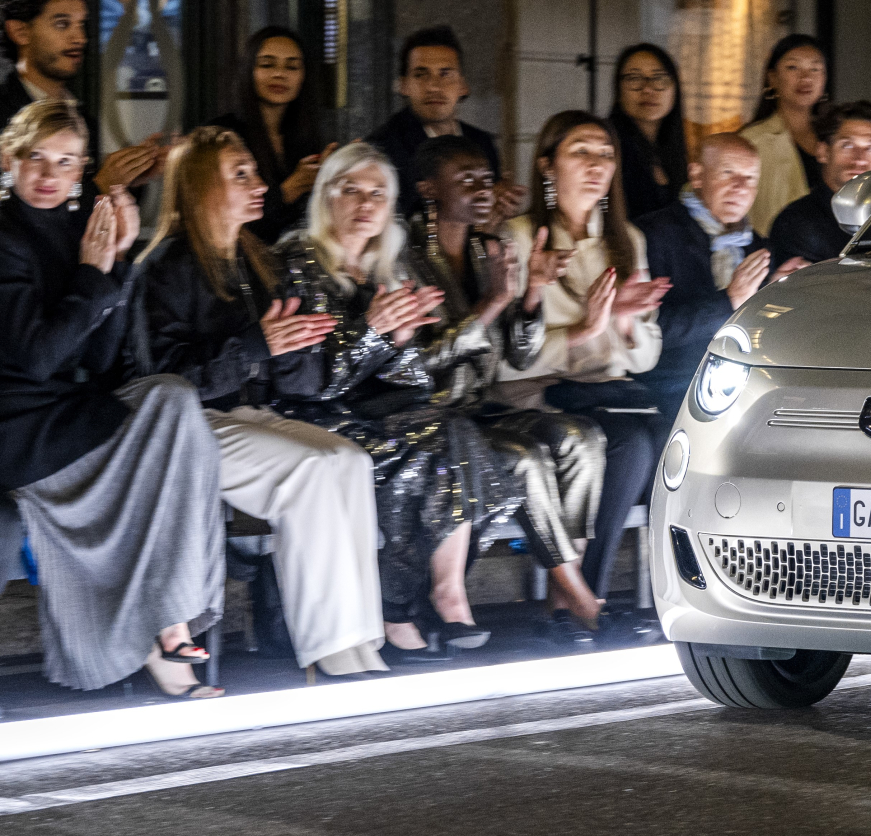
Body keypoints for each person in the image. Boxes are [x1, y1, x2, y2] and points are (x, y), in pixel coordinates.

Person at [135, 126, 385, 674]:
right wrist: (257, 345)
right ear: (201, 188)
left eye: (254, 170)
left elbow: (294, 379)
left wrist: (295, 347)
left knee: (350, 461)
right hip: (190, 426)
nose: (259, 184)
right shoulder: (167, 267)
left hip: (250, 415)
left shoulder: (257, 261)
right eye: (240, 174)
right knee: (313, 471)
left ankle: (364, 643)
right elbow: (165, 379)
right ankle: (331, 652)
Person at [273, 144, 535, 663]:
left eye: (377, 193)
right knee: (431, 448)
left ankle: (432, 595)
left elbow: (411, 381)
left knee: (455, 433)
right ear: (326, 195)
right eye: (351, 190)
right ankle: (409, 603)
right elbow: (312, 384)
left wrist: (400, 341)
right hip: (322, 419)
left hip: (385, 414)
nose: (365, 203)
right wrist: (373, 332)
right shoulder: (298, 260)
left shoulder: (385, 268)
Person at [0, 100, 226, 699]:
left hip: (72, 415)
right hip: (20, 430)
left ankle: (172, 623)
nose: (49, 174)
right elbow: (37, 359)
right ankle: (169, 638)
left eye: (66, 161)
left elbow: (98, 363)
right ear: (8, 160)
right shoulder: (3, 238)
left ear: (82, 172)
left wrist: (119, 265)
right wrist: (96, 278)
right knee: (170, 415)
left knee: (176, 404)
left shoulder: (82, 233)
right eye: (36, 158)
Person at [409, 136, 612, 633]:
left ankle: (567, 591)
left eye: (487, 179)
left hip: (482, 406)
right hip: (431, 416)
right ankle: (584, 601)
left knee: (582, 438)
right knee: (525, 458)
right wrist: (494, 304)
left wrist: (530, 296)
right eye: (466, 179)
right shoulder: (404, 258)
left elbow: (518, 353)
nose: (482, 189)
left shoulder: (488, 251)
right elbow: (419, 363)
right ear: (429, 189)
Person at [496, 110, 671, 642]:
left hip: (608, 392)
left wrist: (624, 322)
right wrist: (588, 328)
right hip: (538, 393)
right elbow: (507, 357)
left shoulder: (627, 240)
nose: (597, 165)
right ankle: (579, 600)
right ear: (548, 165)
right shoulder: (520, 237)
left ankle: (577, 599)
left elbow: (645, 355)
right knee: (625, 444)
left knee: (649, 438)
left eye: (606, 154)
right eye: (581, 152)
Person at [635, 132, 772, 417]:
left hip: (743, 385)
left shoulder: (755, 246)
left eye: (750, 179)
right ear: (697, 175)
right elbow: (651, 332)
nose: (740, 187)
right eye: (728, 173)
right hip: (670, 387)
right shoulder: (654, 234)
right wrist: (728, 302)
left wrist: (777, 290)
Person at [0, 0, 167, 194]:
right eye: (62, 24)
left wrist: (134, 175)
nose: (80, 38)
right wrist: (101, 185)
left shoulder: (81, 119)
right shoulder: (5, 116)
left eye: (81, 24)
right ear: (20, 32)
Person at [366, 25, 524, 219]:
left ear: (463, 86)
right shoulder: (382, 148)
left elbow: (488, 217)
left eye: (445, 74)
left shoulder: (481, 142)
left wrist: (501, 206)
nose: (433, 86)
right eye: (421, 75)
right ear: (404, 85)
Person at [212, 24, 332, 246]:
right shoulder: (221, 135)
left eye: (292, 67)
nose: (280, 74)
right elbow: (217, 217)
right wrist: (288, 191)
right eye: (267, 65)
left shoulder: (307, 136)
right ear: (248, 71)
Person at [766, 100, 871, 268]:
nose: (859, 159)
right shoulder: (797, 222)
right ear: (823, 151)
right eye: (847, 145)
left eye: (870, 148)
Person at [739, 33, 829, 234]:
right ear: (772, 78)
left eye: (815, 69)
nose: (806, 77)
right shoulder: (752, 140)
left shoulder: (835, 139)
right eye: (793, 67)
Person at [608, 42, 690, 220]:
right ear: (618, 89)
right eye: (634, 78)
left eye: (659, 78)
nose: (648, 88)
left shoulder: (674, 151)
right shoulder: (606, 145)